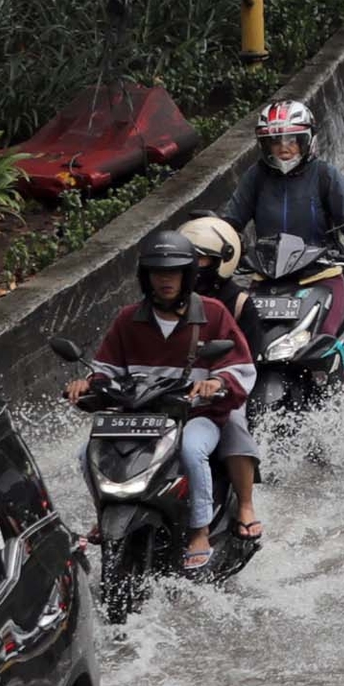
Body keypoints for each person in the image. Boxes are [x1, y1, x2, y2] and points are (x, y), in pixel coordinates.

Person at [64, 230, 255, 568]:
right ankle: (105, 515)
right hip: (141, 413)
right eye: (157, 272)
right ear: (146, 276)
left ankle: (199, 529)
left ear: (188, 275)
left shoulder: (213, 313)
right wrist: (87, 384)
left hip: (196, 414)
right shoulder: (128, 319)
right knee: (87, 452)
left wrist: (216, 381)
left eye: (173, 272)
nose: (165, 280)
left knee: (192, 450)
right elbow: (105, 368)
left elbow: (239, 366)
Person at [221, 99, 344, 265]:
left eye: (291, 141)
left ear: (306, 141)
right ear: (266, 145)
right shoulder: (256, 176)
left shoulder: (325, 174)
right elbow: (231, 221)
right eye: (276, 142)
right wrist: (220, 239)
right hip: (269, 269)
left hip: (322, 267)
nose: (283, 148)